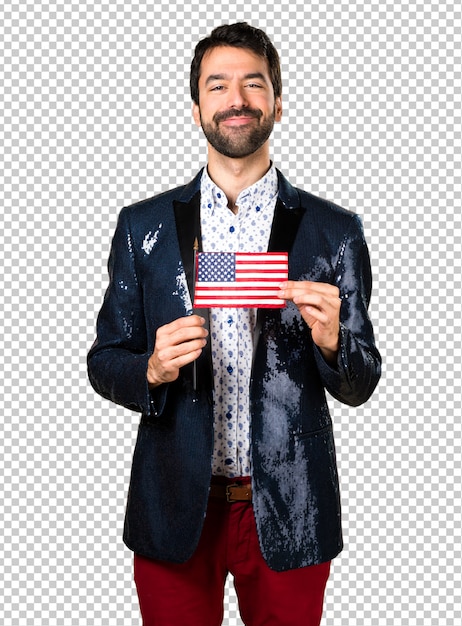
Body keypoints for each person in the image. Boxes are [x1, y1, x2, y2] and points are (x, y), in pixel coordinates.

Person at [88, 22, 381, 626]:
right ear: (196, 106)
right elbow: (103, 359)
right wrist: (150, 366)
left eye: (254, 83)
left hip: (290, 503)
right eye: (217, 84)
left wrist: (333, 343)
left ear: (277, 101)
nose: (237, 98)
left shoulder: (334, 230)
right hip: (173, 502)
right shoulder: (142, 226)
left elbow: (362, 381)